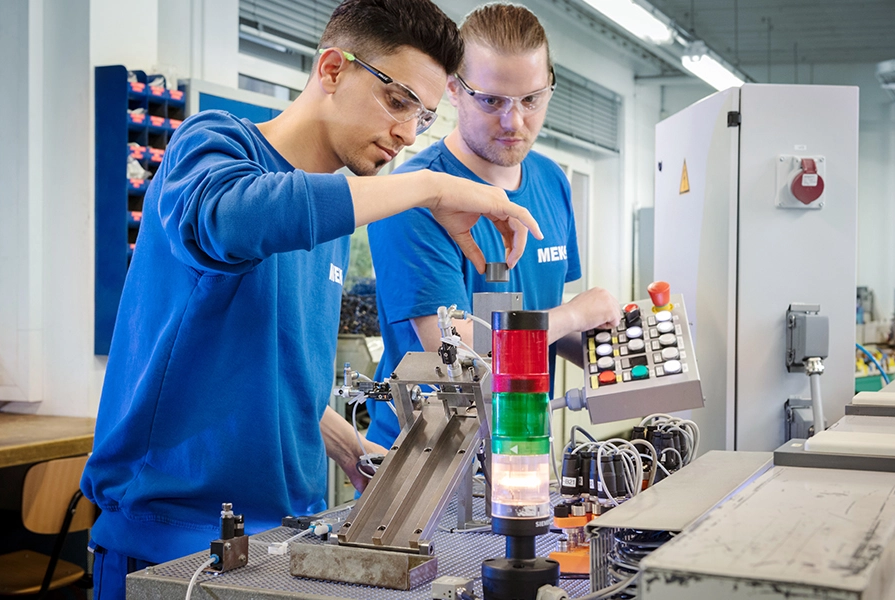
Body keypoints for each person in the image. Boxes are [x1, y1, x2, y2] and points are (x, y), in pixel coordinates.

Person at [80, 1, 543, 597]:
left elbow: (248, 362)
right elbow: (233, 220)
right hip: (171, 544)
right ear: (331, 69)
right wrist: (430, 186)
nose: (407, 133)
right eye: (398, 101)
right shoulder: (214, 147)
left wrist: (339, 436)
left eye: (424, 116)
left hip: (285, 542)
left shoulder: (327, 215)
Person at [367, 3, 620, 448]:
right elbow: (452, 350)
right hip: (426, 455)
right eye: (492, 101)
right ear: (453, 89)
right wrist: (574, 314)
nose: (514, 121)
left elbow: (546, 315)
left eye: (531, 99)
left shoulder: (551, 181)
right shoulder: (413, 194)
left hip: (520, 440)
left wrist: (620, 356)